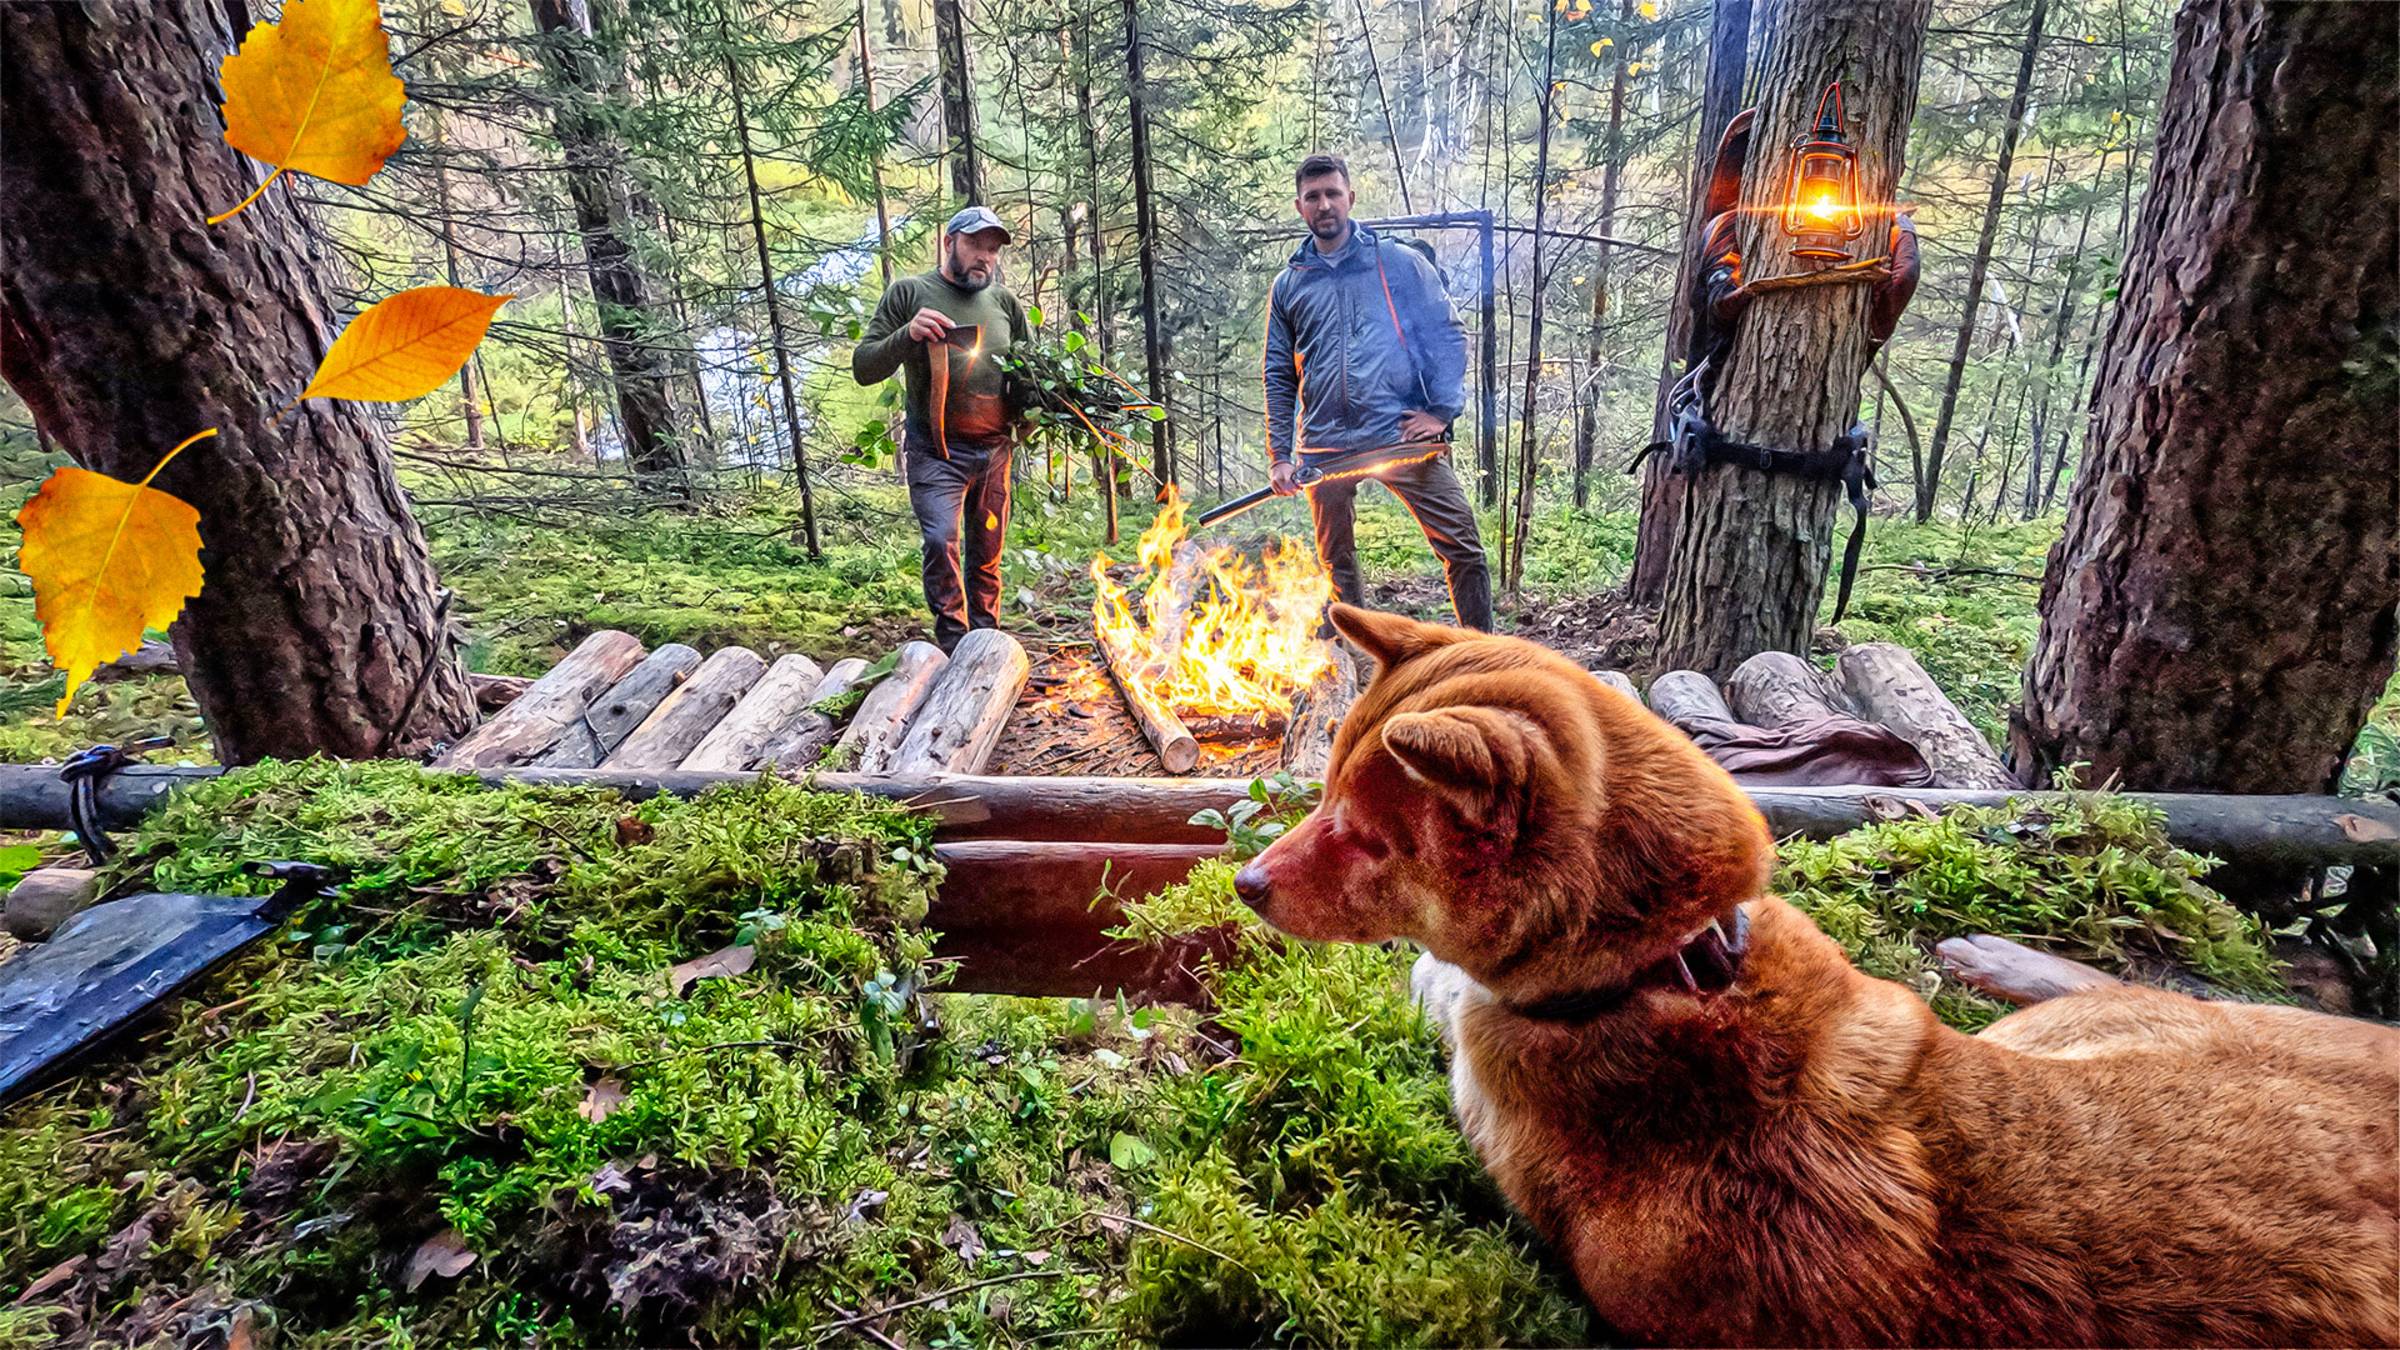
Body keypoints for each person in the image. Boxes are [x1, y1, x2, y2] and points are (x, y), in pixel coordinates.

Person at [1262, 153, 1493, 631]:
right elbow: (1278, 373)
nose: (1324, 205)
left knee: (1463, 548)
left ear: (1351, 197)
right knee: (1336, 564)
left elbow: (1448, 334)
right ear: (1300, 207)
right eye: (1313, 197)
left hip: (1398, 436)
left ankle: (1481, 655)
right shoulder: (1290, 285)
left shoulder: (1398, 263)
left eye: (1332, 193)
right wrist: (1280, 454)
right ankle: (1357, 660)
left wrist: (1442, 412)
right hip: (1323, 446)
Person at [852, 206, 1032, 651]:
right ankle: (954, 644)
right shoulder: (909, 293)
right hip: (937, 453)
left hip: (994, 452)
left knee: (987, 554)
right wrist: (908, 335)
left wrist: (1041, 410)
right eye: (976, 245)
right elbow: (863, 367)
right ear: (948, 242)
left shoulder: (1005, 303)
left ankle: (985, 644)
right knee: (940, 541)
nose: (985, 258)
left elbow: (1031, 373)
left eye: (992, 250)